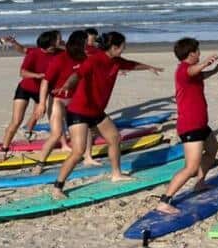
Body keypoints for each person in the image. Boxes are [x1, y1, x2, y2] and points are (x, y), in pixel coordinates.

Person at [49, 32, 163, 199]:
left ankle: (116, 174)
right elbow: (77, 75)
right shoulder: (94, 60)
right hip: (79, 111)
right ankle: (57, 187)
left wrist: (149, 67)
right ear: (114, 47)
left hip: (96, 111)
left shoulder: (116, 61)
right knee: (78, 152)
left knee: (115, 138)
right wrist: (67, 85)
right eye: (123, 46)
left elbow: (131, 64)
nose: (125, 48)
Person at [156, 38, 218, 214]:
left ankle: (200, 183)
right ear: (190, 53)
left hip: (201, 123)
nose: (199, 54)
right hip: (190, 126)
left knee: (213, 148)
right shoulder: (183, 70)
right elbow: (193, 71)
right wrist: (206, 63)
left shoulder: (192, 73)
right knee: (190, 167)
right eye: (198, 51)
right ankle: (165, 201)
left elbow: (198, 75)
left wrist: (212, 71)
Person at [33, 31, 97, 173]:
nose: (88, 44)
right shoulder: (60, 59)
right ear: (80, 43)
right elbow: (45, 82)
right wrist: (42, 103)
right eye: (86, 42)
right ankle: (39, 163)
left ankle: (88, 157)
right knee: (56, 134)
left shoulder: (85, 58)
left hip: (76, 101)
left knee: (85, 129)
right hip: (59, 101)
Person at [0, 31, 59, 155]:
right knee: (16, 121)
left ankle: (28, 131)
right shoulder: (34, 53)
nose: (60, 41)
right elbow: (22, 72)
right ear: (51, 43)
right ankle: (5, 147)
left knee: (38, 114)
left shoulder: (59, 53)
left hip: (41, 92)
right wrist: (38, 75)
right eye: (58, 39)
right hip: (25, 89)